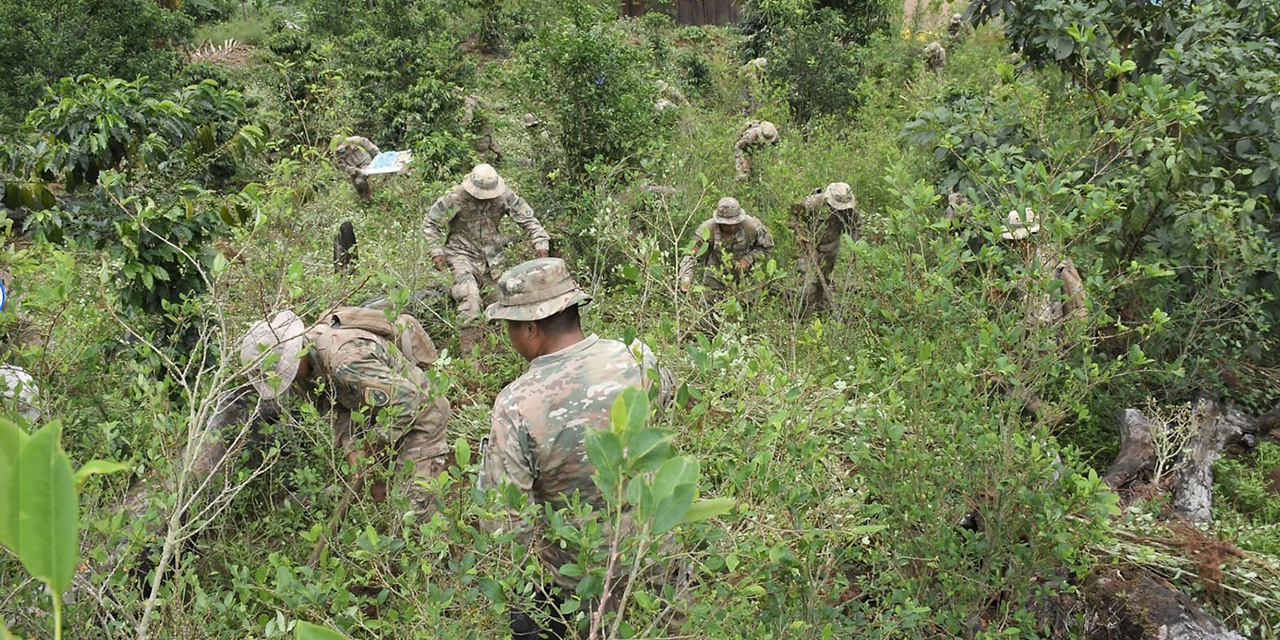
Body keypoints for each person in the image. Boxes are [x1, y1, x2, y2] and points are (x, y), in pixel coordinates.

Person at [476, 257, 671, 640]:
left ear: (531, 328)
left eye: (509, 328)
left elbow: (505, 520)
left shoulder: (517, 404)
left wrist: (521, 600)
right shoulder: (639, 357)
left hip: (580, 584)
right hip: (656, 560)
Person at [240, 307, 451, 517]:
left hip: (423, 414)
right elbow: (339, 408)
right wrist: (352, 447)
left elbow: (408, 401)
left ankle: (438, 541)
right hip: (383, 416)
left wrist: (373, 447)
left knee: (416, 510)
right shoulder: (307, 371)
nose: (286, 380)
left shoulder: (345, 360)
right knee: (381, 492)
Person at [422, 163, 551, 358]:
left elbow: (528, 220)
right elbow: (431, 222)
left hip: (493, 260)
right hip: (461, 255)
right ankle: (471, 361)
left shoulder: (504, 196)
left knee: (500, 308)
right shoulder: (456, 197)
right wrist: (436, 251)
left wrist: (540, 242)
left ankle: (497, 356)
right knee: (470, 300)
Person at [999, 208, 1087, 328]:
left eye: (1012, 241)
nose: (1011, 245)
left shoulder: (1038, 267)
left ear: (1022, 241)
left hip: (1052, 334)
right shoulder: (1053, 253)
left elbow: (1040, 318)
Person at [680, 196, 775, 295]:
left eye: (735, 223)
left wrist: (749, 259)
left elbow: (767, 247)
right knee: (710, 307)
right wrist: (686, 279)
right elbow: (690, 255)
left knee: (746, 306)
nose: (732, 227)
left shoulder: (752, 226)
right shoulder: (707, 229)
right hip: (715, 277)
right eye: (727, 224)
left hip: (746, 280)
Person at [790, 182, 860, 312]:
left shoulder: (850, 209)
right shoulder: (813, 203)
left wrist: (855, 250)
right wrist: (803, 237)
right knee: (809, 281)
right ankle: (805, 314)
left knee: (822, 280)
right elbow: (794, 217)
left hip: (831, 247)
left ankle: (819, 307)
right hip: (809, 245)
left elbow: (857, 228)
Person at [335, 135, 380, 201]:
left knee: (360, 181)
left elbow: (365, 142)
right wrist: (355, 170)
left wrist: (376, 151)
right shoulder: (337, 153)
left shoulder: (355, 140)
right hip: (353, 168)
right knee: (357, 184)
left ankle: (367, 199)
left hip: (365, 163)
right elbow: (343, 166)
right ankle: (363, 200)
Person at [462, 94, 503, 164]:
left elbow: (467, 118)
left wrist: (460, 128)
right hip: (486, 129)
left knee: (479, 155)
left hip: (479, 133)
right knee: (491, 142)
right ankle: (500, 156)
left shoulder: (469, 103)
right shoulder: (478, 100)